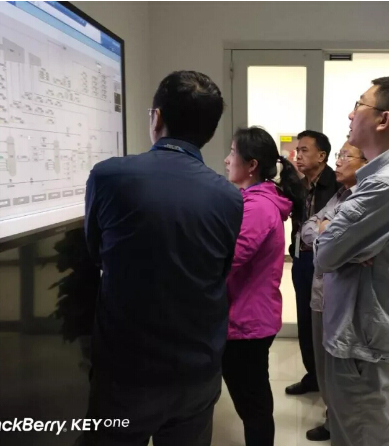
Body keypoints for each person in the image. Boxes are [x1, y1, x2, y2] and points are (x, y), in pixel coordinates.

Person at [81, 71, 243, 446]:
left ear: (157, 118)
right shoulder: (229, 197)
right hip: (197, 372)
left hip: (126, 372)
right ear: (209, 131)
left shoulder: (109, 176)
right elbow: (219, 270)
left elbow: (96, 253)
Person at [314, 77, 389, 446]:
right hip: (363, 337)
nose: (351, 114)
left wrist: (331, 233)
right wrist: (346, 245)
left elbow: (325, 253)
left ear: (383, 119)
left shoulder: (387, 184)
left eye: (359, 105)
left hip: (364, 343)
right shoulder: (384, 177)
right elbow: (333, 246)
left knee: (362, 434)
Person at [222, 126, 305, 446]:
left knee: (253, 403)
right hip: (248, 316)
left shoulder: (258, 207)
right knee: (253, 398)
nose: (227, 160)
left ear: (251, 165)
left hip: (247, 322)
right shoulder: (255, 200)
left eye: (232, 153)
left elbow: (229, 259)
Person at [300, 141, 367, 442]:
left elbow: (344, 245)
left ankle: (342, 426)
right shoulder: (340, 194)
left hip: (345, 297)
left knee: (344, 370)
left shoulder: (367, 198)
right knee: (323, 365)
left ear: (366, 162)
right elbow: (308, 228)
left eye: (345, 156)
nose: (338, 162)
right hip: (321, 293)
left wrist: (326, 231)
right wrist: (325, 230)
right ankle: (332, 419)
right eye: (338, 155)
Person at [286, 130, 341, 396]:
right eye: (297, 150)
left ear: (322, 156)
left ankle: (331, 381)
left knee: (326, 321)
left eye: (304, 150)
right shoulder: (298, 184)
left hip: (326, 262)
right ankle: (313, 376)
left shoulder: (337, 184)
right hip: (301, 259)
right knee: (305, 320)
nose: (298, 155)